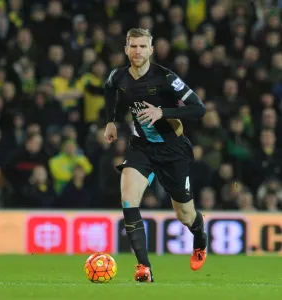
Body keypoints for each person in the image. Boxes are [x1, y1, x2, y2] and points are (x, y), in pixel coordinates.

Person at [104, 28, 207, 283]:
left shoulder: (165, 78)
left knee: (185, 215)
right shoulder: (118, 76)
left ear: (151, 49)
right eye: (133, 46)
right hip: (141, 148)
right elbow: (109, 89)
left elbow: (199, 108)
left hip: (173, 151)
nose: (137, 51)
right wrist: (111, 121)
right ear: (126, 49)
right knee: (128, 199)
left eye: (142, 46)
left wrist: (164, 112)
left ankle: (200, 235)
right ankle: (144, 268)